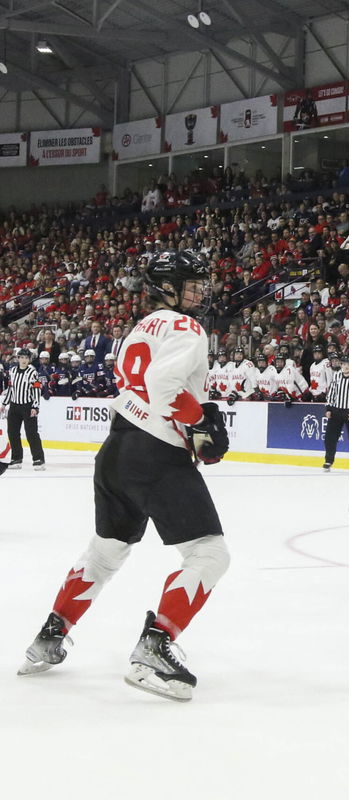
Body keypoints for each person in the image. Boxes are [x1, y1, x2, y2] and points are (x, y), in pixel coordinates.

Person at [17, 250, 231, 702]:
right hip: (156, 453)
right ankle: (156, 646)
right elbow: (162, 387)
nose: (200, 291)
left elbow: (141, 383)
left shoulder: (141, 326)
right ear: (165, 288)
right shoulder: (188, 327)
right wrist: (200, 422)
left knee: (105, 553)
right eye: (190, 284)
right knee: (210, 556)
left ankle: (48, 639)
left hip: (115, 449)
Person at [5, 347, 45, 470]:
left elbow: (37, 390)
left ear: (29, 359)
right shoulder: (12, 371)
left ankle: (39, 459)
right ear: (17, 358)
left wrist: (35, 406)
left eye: (26, 358)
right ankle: (16, 459)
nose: (23, 360)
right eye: (21, 357)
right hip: (14, 405)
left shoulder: (32, 372)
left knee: (31, 433)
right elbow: (11, 388)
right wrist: (5, 403)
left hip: (28, 406)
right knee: (12, 433)